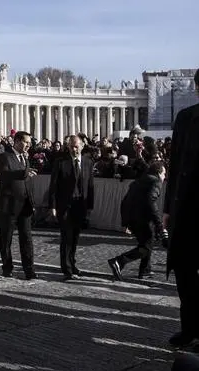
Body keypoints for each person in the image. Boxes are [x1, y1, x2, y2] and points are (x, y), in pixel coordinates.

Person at [162, 68, 199, 350]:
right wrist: (167, 207)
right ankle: (189, 329)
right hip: (185, 208)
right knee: (185, 275)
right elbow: (174, 167)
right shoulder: (185, 118)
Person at [108, 161, 167, 280]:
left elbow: (125, 201)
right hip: (143, 218)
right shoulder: (156, 182)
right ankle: (119, 261)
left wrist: (125, 222)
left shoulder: (138, 181)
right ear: (159, 172)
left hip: (133, 218)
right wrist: (159, 224)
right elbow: (151, 203)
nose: (165, 176)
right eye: (164, 173)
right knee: (146, 247)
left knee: (146, 243)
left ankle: (145, 270)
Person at [49, 135, 94, 280]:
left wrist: (90, 206)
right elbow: (53, 185)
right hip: (65, 205)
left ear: (82, 146)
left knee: (75, 237)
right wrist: (53, 206)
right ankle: (66, 268)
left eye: (76, 146)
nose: (74, 149)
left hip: (80, 205)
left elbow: (90, 185)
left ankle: (73, 264)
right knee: (66, 237)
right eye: (71, 146)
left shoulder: (87, 162)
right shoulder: (61, 162)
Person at [0, 131, 38, 279]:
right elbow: (5, 175)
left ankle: (29, 269)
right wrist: (24, 173)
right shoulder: (5, 156)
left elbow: (27, 183)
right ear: (17, 141)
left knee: (27, 238)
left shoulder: (25, 158)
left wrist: (32, 201)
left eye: (29, 143)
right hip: (9, 205)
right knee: (6, 238)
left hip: (25, 205)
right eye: (26, 142)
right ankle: (7, 268)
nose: (28, 145)